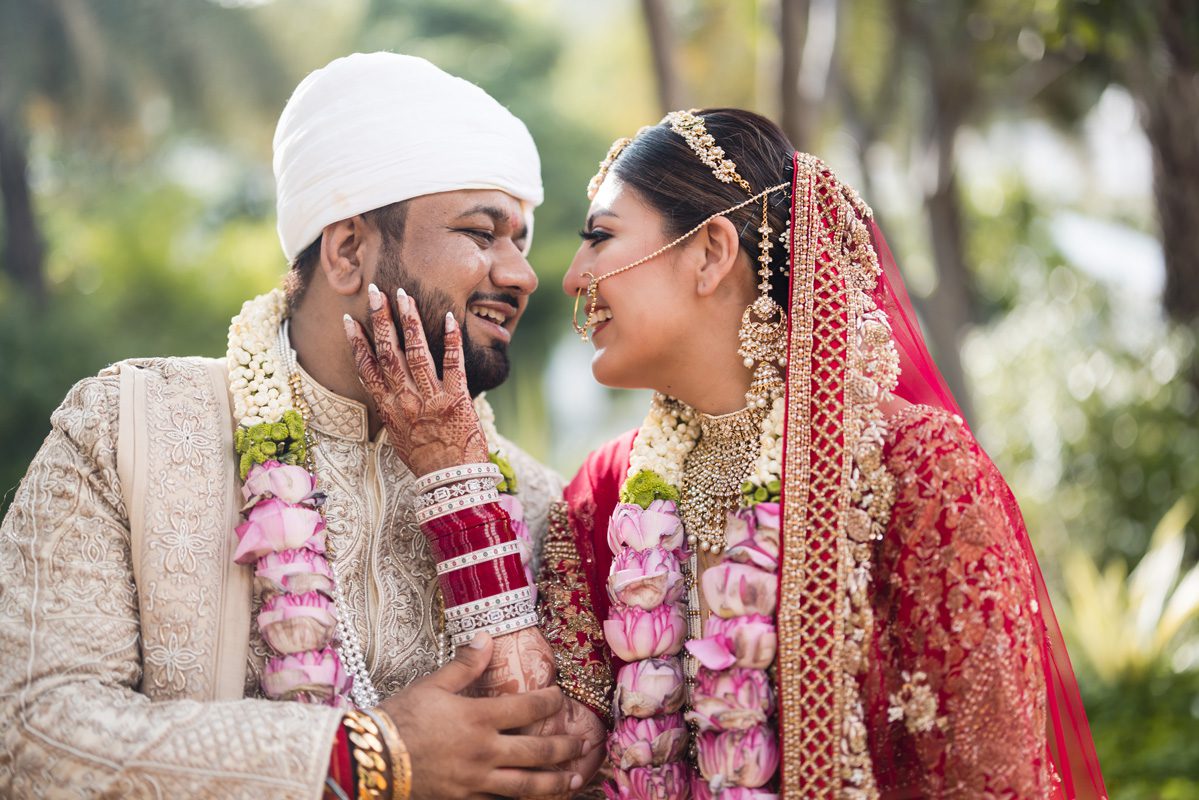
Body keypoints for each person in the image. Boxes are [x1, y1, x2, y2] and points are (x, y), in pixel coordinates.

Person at [374, 108, 1111, 798]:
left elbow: (991, 779)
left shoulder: (912, 470)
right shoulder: (601, 494)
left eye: (598, 237)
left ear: (710, 253)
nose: (569, 278)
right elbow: (544, 756)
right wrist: (455, 482)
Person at [0, 52, 600, 799]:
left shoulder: (535, 501)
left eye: (521, 239)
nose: (521, 274)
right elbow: (32, 734)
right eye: (483, 233)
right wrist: (370, 755)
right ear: (348, 250)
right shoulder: (128, 431)